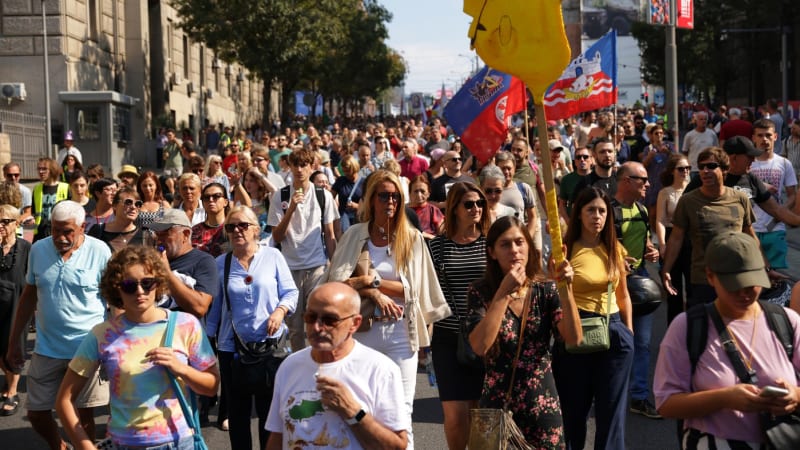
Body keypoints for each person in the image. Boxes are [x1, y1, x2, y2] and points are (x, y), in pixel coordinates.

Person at [326, 170, 451, 448]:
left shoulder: (412, 238)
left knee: (401, 414)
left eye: (396, 196)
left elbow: (414, 292)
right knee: (360, 412)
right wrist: (368, 287)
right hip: (361, 334)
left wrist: (374, 282)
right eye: (384, 195)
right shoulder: (355, 235)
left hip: (399, 335)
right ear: (371, 199)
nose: (390, 202)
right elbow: (337, 284)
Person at [55, 246, 220, 449]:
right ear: (116, 288)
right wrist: (85, 446)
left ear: (158, 284)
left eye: (147, 283)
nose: (140, 291)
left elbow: (212, 387)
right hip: (125, 444)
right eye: (129, 285)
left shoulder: (185, 325)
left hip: (179, 442)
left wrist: (182, 369)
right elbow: (64, 400)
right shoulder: (103, 334)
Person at [654, 231, 800, 448]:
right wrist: (725, 399)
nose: (745, 294)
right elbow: (666, 403)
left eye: (752, 284)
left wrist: (794, 395)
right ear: (710, 277)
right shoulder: (687, 326)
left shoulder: (787, 321)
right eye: (734, 285)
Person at [6, 201, 111, 450]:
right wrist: (13, 343)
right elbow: (29, 295)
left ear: (83, 227)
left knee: (83, 417)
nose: (60, 238)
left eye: (67, 231)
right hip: (46, 349)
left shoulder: (100, 251)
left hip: (88, 350)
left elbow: (114, 301)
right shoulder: (39, 250)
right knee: (36, 412)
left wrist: (114, 344)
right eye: (55, 230)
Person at [468, 216, 581, 447]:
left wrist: (565, 288)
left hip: (542, 404)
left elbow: (575, 339)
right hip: (498, 406)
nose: (514, 250)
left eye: (520, 242)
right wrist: (502, 294)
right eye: (505, 244)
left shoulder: (545, 290)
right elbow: (480, 346)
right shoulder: (481, 292)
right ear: (492, 252)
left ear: (529, 246)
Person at [265, 282, 410, 450]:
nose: (317, 327)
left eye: (329, 320)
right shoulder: (289, 366)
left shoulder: (380, 370)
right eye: (310, 318)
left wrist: (354, 413)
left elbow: (397, 446)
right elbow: (278, 436)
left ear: (355, 323)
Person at [206, 206, 298, 450]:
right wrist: (206, 344)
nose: (237, 230)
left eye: (243, 225)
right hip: (232, 349)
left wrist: (280, 312)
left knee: (270, 414)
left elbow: (290, 292)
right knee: (238, 414)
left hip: (270, 348)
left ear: (256, 229)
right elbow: (214, 309)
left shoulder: (273, 256)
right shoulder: (220, 264)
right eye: (231, 226)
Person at [552, 187, 634, 450]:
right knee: (573, 413)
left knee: (612, 416)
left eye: (602, 211)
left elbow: (624, 295)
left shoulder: (614, 248)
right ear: (578, 214)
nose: (597, 216)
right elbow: (552, 295)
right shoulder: (565, 250)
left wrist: (628, 332)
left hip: (614, 331)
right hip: (577, 330)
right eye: (591, 210)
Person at [427, 182, 491, 450]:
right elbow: (429, 292)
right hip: (448, 337)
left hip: (487, 335)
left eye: (479, 203)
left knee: (480, 412)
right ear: (454, 208)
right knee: (455, 415)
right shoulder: (438, 247)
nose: (475, 208)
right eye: (469, 204)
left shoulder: (491, 243)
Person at [662, 146, 758, 307]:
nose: (705, 171)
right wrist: (666, 269)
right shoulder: (688, 201)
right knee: (703, 327)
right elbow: (676, 238)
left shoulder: (740, 198)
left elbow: (750, 235)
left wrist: (763, 268)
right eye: (701, 167)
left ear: (725, 169)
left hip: (736, 276)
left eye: (711, 166)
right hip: (703, 280)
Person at [268, 148, 338, 351]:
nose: (299, 169)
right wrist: (290, 209)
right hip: (289, 267)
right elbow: (277, 236)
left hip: (317, 265)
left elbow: (330, 234)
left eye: (304, 165)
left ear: (311, 167)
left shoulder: (323, 195)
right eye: (295, 165)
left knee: (318, 321)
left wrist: (334, 267)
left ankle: (320, 361)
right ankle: (299, 364)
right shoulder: (279, 196)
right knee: (296, 327)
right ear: (289, 167)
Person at [611, 162, 663, 419]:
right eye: (642, 180)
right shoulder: (608, 212)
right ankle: (611, 392)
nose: (648, 184)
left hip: (639, 281)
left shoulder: (642, 210)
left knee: (642, 343)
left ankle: (639, 397)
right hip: (613, 284)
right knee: (615, 340)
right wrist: (617, 262)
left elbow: (644, 241)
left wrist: (649, 250)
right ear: (625, 181)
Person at [150, 209, 218, 318]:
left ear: (185, 235)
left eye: (165, 234)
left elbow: (199, 308)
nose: (159, 240)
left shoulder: (204, 261)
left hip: (186, 333)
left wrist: (166, 272)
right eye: (157, 235)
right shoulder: (152, 261)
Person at [0, 205, 31, 416]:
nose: (1, 225)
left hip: (17, 302)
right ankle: (8, 379)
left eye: (5, 221)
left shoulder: (26, 247)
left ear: (16, 223)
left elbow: (32, 277)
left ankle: (12, 390)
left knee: (14, 345)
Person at [656, 154, 693, 324]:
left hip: (691, 239)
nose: (685, 171)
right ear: (672, 171)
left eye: (687, 168)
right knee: (673, 288)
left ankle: (694, 327)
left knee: (694, 288)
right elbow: (660, 220)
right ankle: (675, 328)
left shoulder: (695, 189)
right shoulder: (666, 192)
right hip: (672, 238)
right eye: (681, 168)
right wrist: (662, 244)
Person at [86, 186, 145, 252]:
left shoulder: (145, 235)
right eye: (128, 202)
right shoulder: (98, 231)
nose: (133, 207)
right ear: (114, 205)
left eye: (138, 204)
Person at [31, 157, 69, 241]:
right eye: (39, 169)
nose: (41, 172)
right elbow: (34, 212)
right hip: (40, 232)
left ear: (52, 169)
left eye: (44, 169)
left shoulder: (65, 187)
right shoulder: (37, 188)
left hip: (60, 230)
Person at [191, 182, 230, 257]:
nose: (211, 200)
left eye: (216, 196)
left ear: (225, 202)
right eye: (206, 197)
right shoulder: (194, 231)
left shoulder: (233, 228)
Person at [559, 146, 593, 222]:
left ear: (591, 160)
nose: (582, 159)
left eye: (585, 157)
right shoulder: (566, 180)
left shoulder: (598, 178)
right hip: (574, 222)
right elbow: (562, 204)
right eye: (578, 157)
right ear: (575, 162)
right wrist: (568, 221)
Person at [331, 155, 363, 232]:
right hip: (343, 215)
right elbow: (331, 197)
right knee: (346, 236)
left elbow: (369, 202)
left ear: (354, 168)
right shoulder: (341, 181)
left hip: (359, 216)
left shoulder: (364, 182)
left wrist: (357, 206)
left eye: (348, 171)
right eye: (344, 171)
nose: (346, 173)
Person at [683, 111, 719, 176]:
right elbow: (685, 152)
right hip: (694, 169)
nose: (703, 121)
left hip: (709, 168)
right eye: (701, 119)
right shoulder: (689, 135)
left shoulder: (712, 134)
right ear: (696, 121)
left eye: (705, 119)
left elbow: (716, 150)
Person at [408, 174, 444, 239]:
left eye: (422, 191)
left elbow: (441, 235)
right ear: (409, 193)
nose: (419, 195)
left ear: (428, 194)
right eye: (416, 191)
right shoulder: (402, 211)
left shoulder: (433, 210)